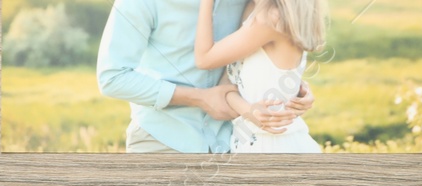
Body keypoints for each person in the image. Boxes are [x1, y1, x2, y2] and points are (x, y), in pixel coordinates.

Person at [97, 0, 313, 152]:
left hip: (232, 144)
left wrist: (292, 85)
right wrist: (200, 98)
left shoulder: (250, 3)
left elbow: (262, 53)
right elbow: (112, 77)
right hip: (161, 142)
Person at [195, 0, 325, 152]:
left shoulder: (270, 18)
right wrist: (246, 109)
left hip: (274, 145)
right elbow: (231, 81)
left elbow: (203, 59)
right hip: (247, 141)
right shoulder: (254, 8)